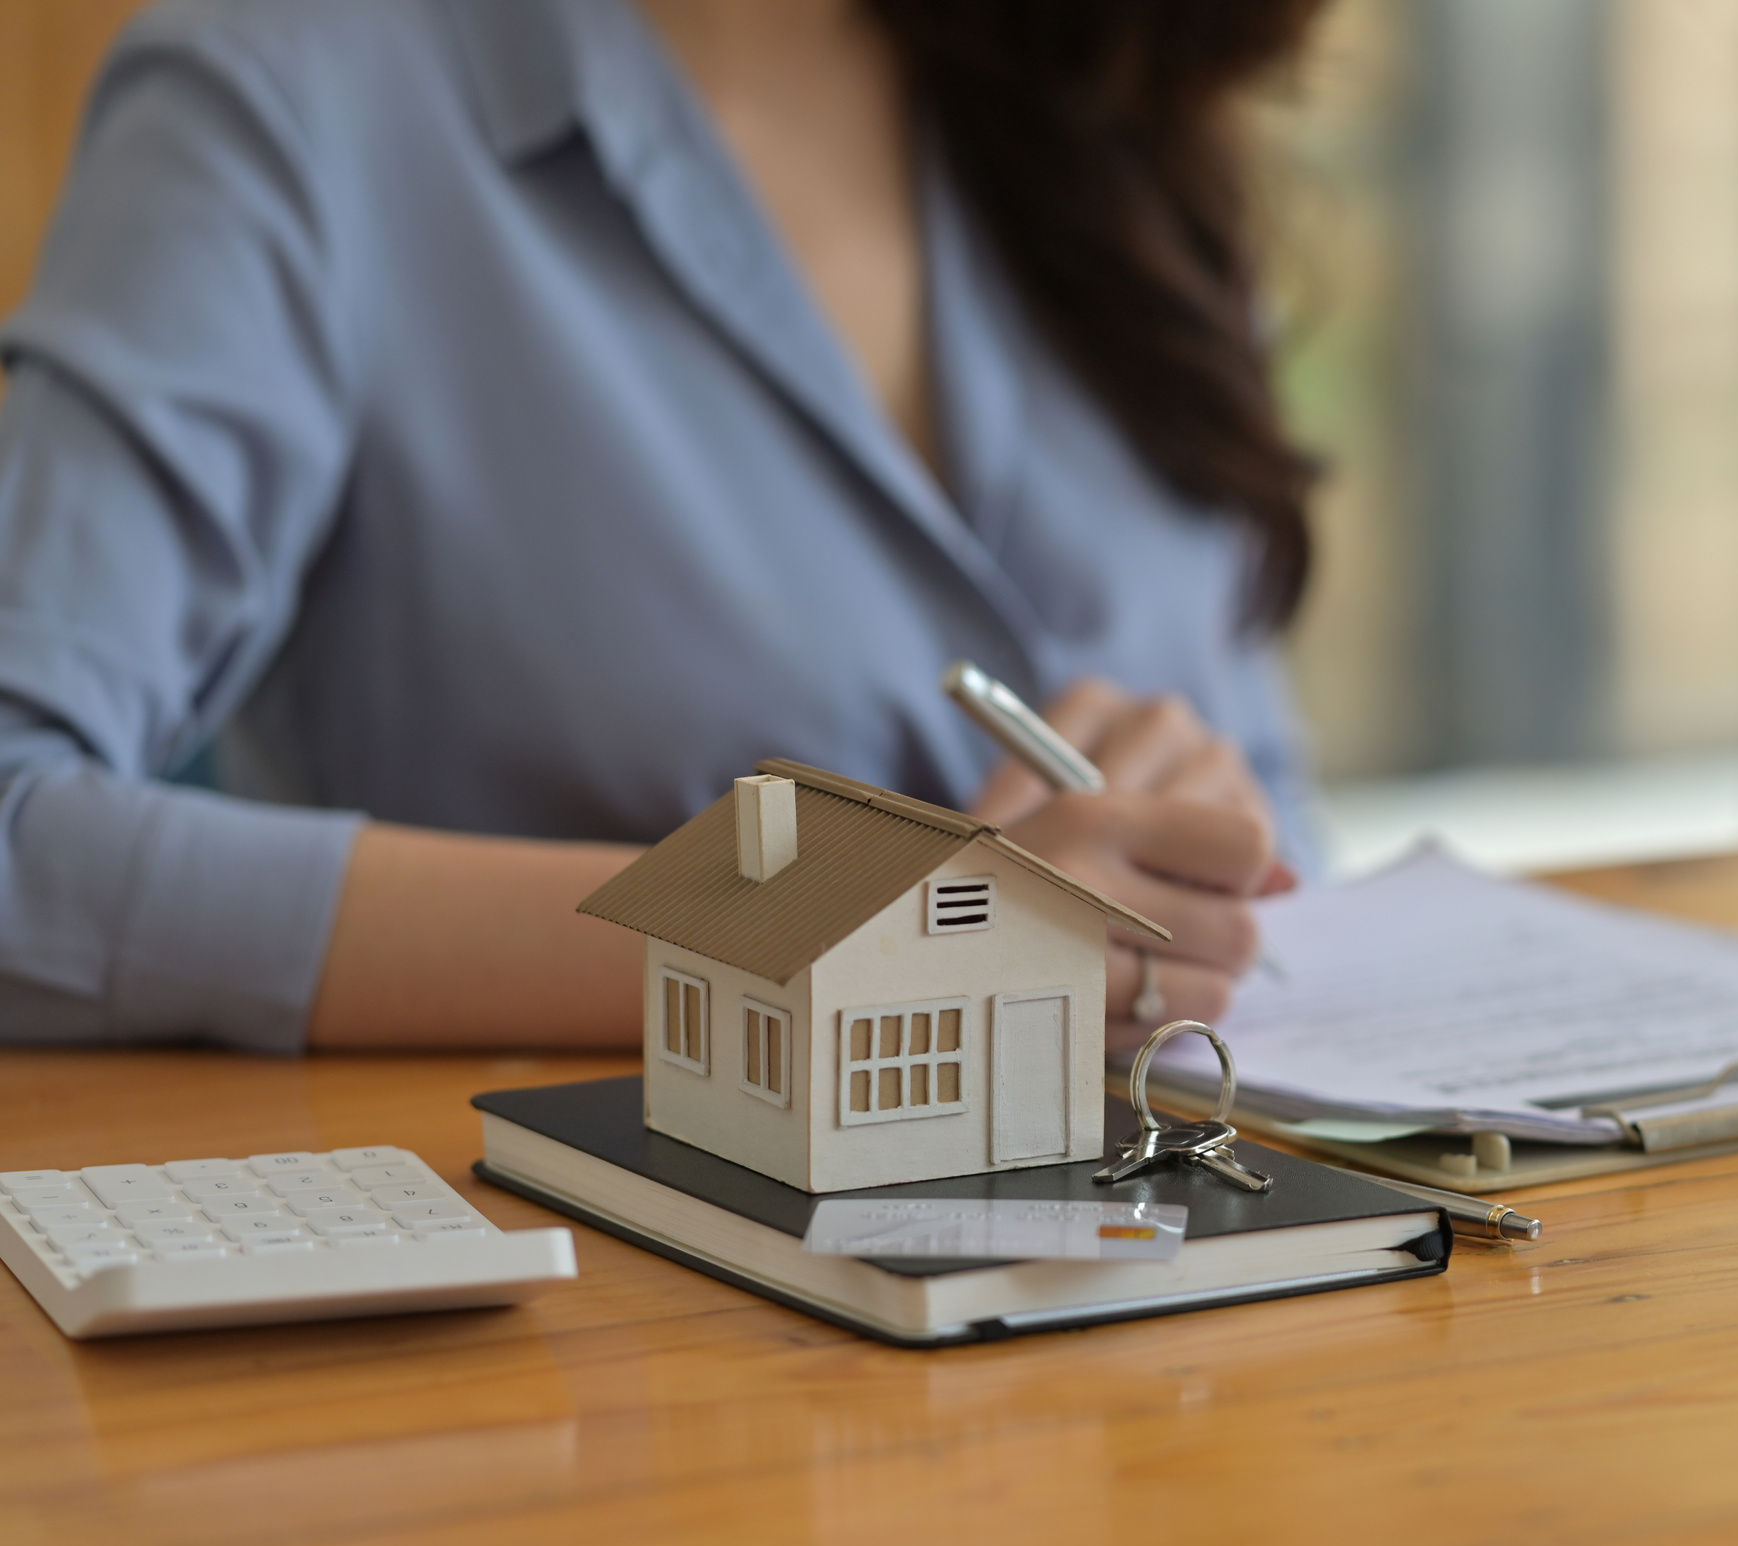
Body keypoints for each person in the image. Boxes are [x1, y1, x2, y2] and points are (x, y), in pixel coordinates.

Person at [0, 0, 1330, 1053]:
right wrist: (820, 937)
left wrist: (1203, 849)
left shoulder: (1102, 93)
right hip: (613, 1342)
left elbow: (1276, 814)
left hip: (1180, 1304)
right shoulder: (290, 103)